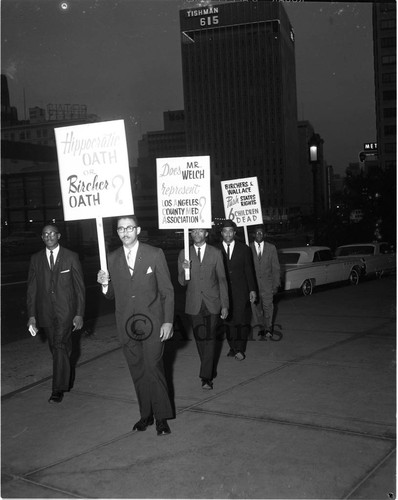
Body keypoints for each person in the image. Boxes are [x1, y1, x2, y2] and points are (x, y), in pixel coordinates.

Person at [97, 215, 174, 436]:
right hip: (126, 325)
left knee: (154, 369)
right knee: (137, 371)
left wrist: (168, 321)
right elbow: (111, 295)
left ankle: (161, 418)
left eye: (129, 227)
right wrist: (104, 284)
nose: (125, 232)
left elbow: (167, 291)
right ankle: (145, 415)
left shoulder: (154, 254)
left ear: (138, 229)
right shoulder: (111, 259)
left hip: (153, 323)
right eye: (121, 229)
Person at [27, 223, 85, 404]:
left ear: (58, 236)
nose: (49, 236)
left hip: (66, 312)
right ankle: (66, 374)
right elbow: (32, 290)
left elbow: (79, 288)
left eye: (52, 233)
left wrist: (79, 314)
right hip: (46, 313)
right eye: (45, 234)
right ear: (42, 237)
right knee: (57, 347)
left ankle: (57, 389)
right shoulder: (35, 259)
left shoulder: (71, 256)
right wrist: (32, 316)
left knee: (59, 345)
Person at [178, 228, 229, 390]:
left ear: (206, 234)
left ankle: (205, 376)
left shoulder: (215, 253)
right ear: (190, 234)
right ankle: (208, 368)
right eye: (193, 232)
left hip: (212, 302)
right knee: (201, 339)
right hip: (194, 304)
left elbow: (222, 280)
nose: (197, 234)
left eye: (200, 232)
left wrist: (225, 304)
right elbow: (181, 282)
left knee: (210, 338)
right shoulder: (183, 253)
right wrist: (184, 270)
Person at [217, 220, 257, 360]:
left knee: (240, 320)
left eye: (230, 231)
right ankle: (232, 347)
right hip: (223, 292)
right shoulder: (215, 250)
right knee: (228, 322)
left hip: (240, 291)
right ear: (221, 233)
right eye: (225, 231)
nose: (228, 234)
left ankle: (239, 348)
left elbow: (249, 270)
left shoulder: (244, 249)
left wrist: (252, 289)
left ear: (235, 232)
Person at [250, 224, 280, 339]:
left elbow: (276, 268)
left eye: (261, 233)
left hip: (268, 286)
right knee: (257, 310)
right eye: (257, 233)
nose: (259, 235)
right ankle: (261, 327)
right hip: (254, 287)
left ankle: (268, 328)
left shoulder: (271, 248)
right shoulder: (248, 247)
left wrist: (276, 284)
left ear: (265, 235)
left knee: (268, 308)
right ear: (253, 234)